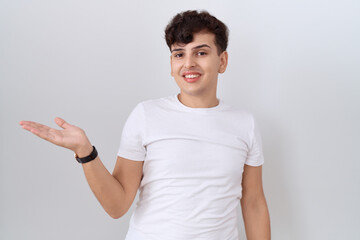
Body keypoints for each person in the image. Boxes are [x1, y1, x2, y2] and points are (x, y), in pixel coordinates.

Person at [19, 10, 270, 240]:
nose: (188, 63)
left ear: (222, 61)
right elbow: (117, 206)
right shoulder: (146, 115)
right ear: (171, 64)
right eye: (179, 54)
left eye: (201, 53)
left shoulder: (244, 124)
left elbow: (253, 203)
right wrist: (85, 152)